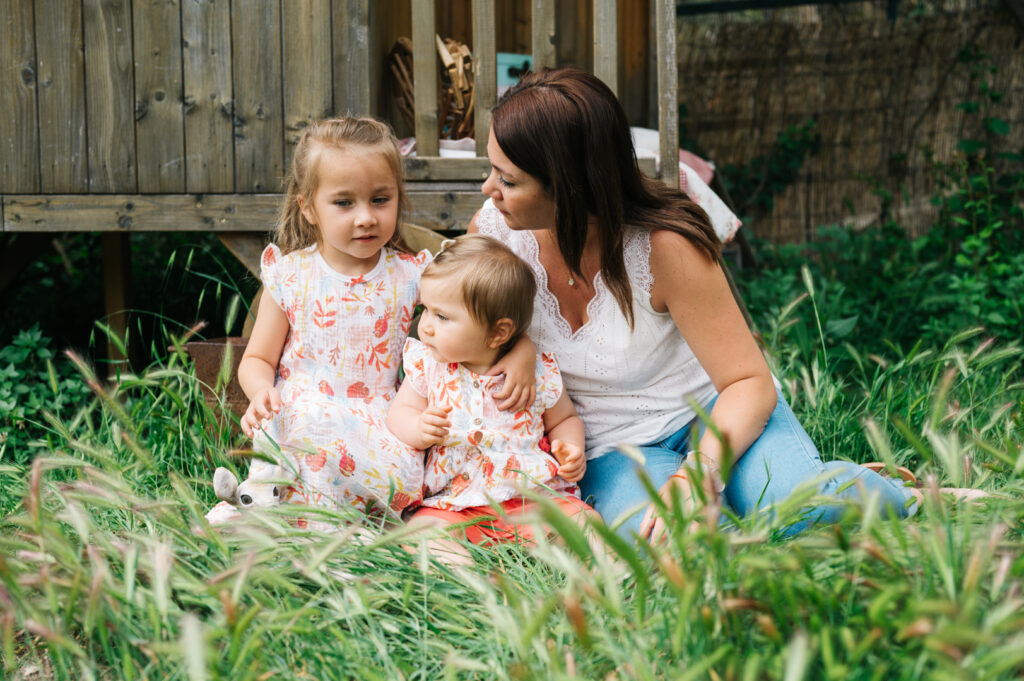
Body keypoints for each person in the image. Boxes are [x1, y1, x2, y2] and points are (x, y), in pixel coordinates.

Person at [467, 68, 938, 541]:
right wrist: (519, 349)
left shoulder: (664, 248)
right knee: (661, 542)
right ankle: (764, 494)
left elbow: (747, 382)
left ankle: (890, 493)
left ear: (569, 186)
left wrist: (699, 474)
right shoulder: (494, 236)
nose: (489, 189)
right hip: (615, 447)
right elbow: (460, 337)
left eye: (507, 180)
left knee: (798, 510)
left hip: (719, 413)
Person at [205, 117, 533, 528]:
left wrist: (522, 348)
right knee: (301, 426)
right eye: (344, 203)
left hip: (381, 427)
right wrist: (259, 394)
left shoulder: (412, 276)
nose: (365, 217)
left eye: (380, 200)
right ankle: (265, 511)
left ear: (398, 196)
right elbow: (257, 359)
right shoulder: (292, 276)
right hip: (301, 414)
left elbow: (481, 319)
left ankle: (317, 525)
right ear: (308, 207)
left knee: (340, 450)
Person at [387, 234, 593, 561]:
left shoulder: (537, 374)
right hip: (455, 504)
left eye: (442, 317)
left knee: (587, 525)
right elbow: (401, 411)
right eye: (425, 310)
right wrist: (417, 427)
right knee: (421, 535)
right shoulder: (429, 365)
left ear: (498, 333)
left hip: (533, 500)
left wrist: (570, 447)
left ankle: (595, 573)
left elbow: (564, 418)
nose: (424, 326)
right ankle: (471, 580)